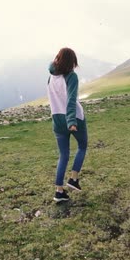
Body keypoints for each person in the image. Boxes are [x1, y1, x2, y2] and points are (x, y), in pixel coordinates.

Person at [47, 47, 88, 202]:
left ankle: (59, 192)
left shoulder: (51, 77)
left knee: (63, 155)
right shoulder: (71, 77)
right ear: (72, 62)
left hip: (57, 119)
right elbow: (71, 100)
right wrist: (71, 121)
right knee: (82, 146)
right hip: (74, 118)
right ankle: (73, 179)